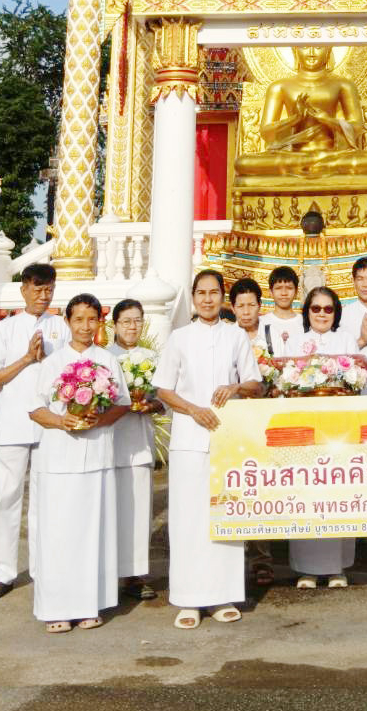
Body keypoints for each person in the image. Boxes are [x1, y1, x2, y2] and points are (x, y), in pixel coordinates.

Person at [154, 269, 260, 630]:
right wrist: (192, 409)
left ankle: (222, 595)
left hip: (227, 436)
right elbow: (163, 389)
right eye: (201, 293)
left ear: (223, 297)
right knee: (188, 518)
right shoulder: (179, 337)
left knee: (225, 513)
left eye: (214, 293)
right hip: (188, 436)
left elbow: (255, 383)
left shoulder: (235, 336)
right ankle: (188, 598)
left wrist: (235, 387)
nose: (207, 299)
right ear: (194, 298)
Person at [28, 293, 130, 633]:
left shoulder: (108, 360)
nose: (86, 326)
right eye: (79, 319)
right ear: (68, 322)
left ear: (100, 322)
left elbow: (122, 404)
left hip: (97, 454)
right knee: (58, 533)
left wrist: (100, 420)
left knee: (92, 532)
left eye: (92, 319)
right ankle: (56, 607)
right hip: (59, 457)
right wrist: (62, 421)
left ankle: (90, 604)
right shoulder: (53, 362)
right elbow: (35, 409)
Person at [0, 262, 68, 599]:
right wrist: (27, 359)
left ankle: (45, 567)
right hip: (13, 423)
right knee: (7, 496)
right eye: (37, 289)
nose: (43, 296)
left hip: (50, 424)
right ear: (24, 290)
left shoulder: (62, 328)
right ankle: (1, 571)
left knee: (47, 499)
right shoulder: (5, 329)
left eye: (49, 290)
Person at [284, 286, 358, 588]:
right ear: (307, 312)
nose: (322, 314)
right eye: (316, 309)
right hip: (305, 430)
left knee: (338, 494)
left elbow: (357, 382)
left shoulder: (347, 340)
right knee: (306, 494)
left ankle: (338, 568)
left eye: (329, 309)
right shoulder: (295, 342)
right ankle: (307, 569)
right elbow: (285, 383)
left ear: (336, 312)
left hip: (340, 429)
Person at [109, 298, 158, 602]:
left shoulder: (151, 358)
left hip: (139, 442)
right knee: (111, 511)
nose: (132, 326)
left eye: (137, 320)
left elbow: (163, 397)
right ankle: (108, 572)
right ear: (114, 325)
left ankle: (135, 574)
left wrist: (151, 404)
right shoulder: (104, 358)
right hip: (110, 443)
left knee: (139, 511)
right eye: (126, 321)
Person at [228, 276, 275, 588]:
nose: (246, 311)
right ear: (232, 308)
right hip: (233, 420)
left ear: (260, 306)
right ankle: (231, 559)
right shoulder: (226, 337)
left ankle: (261, 559)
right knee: (233, 488)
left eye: (251, 305)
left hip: (264, 418)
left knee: (260, 489)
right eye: (240, 305)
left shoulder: (272, 337)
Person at [261, 264, 302, 356]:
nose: (284, 293)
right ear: (270, 292)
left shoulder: (305, 323)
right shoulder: (261, 323)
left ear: (296, 292)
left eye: (289, 288)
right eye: (278, 288)